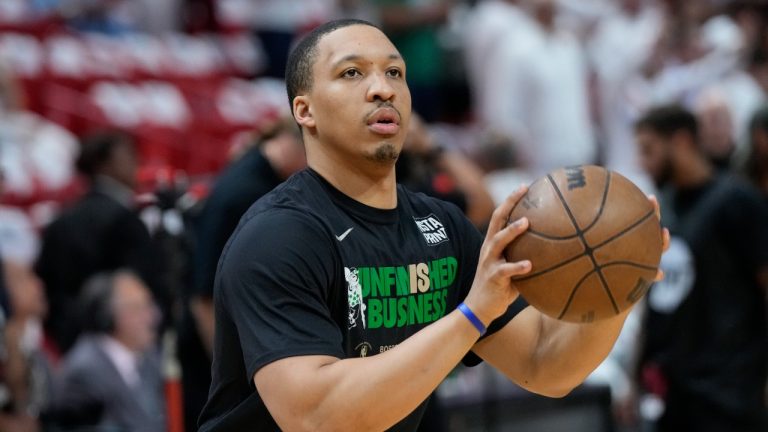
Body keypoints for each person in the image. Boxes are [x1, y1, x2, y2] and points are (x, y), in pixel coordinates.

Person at [198, 19, 667, 431]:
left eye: (394, 72)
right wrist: (470, 316)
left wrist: (616, 280)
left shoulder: (439, 226)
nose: (382, 88)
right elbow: (317, 418)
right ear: (305, 111)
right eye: (352, 72)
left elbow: (546, 366)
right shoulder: (278, 237)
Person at [634, 104, 768, 432]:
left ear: (681, 141)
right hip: (674, 393)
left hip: (730, 393)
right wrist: (634, 375)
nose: (642, 162)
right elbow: (655, 298)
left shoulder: (737, 200)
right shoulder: (661, 208)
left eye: (648, 149)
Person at [179, 116, 305, 432]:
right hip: (218, 357)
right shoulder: (245, 194)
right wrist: (224, 377)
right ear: (293, 145)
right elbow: (204, 297)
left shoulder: (259, 174)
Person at [35, 131, 167, 355]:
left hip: (69, 342)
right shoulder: (126, 221)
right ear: (104, 165)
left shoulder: (62, 219)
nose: (136, 162)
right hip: (121, 341)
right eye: (128, 156)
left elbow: (47, 289)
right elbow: (147, 283)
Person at [49, 269, 165, 432]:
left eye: (150, 305)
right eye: (139, 307)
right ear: (108, 315)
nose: (152, 316)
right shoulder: (84, 370)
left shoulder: (151, 360)